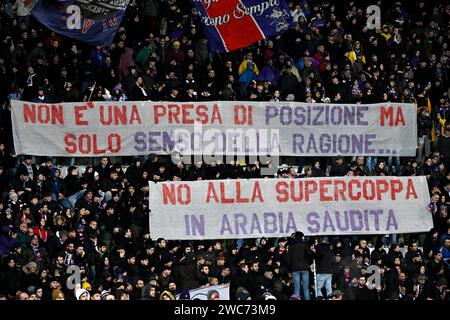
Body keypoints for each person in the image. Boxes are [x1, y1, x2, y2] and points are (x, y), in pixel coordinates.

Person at [286, 231, 310, 300]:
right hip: (305, 268)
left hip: (295, 268)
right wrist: (308, 262)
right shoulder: (305, 245)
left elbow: (288, 259)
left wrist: (290, 268)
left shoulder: (291, 246)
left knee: (297, 287)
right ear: (301, 237)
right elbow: (309, 255)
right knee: (306, 287)